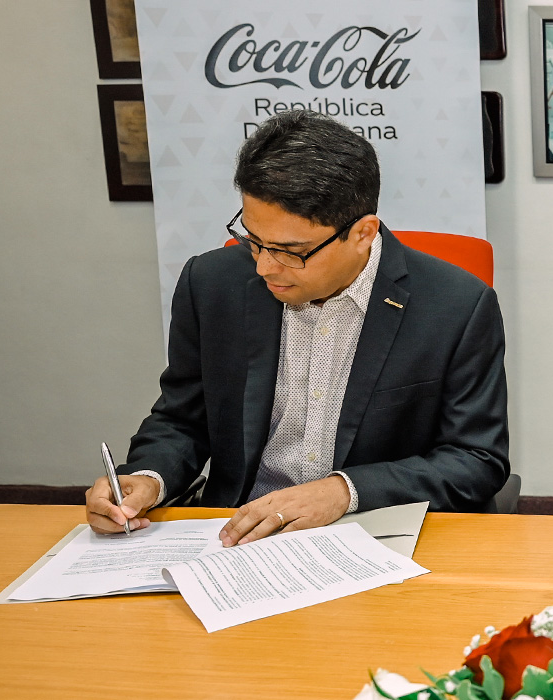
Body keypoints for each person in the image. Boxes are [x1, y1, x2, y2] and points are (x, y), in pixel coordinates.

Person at [85, 111, 509, 545]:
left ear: (362, 233)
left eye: (292, 251)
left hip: (371, 532)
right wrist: (148, 477)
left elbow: (476, 458)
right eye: (254, 240)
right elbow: (183, 417)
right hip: (238, 530)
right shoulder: (210, 284)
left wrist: (344, 491)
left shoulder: (457, 305)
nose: (265, 267)